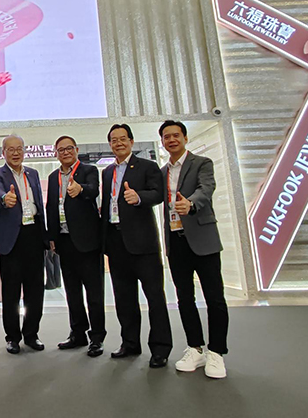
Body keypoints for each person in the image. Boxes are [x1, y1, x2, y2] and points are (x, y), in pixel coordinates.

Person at [159, 120, 229, 379]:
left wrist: (190, 203)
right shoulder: (162, 171)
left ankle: (217, 352)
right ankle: (195, 348)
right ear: (163, 142)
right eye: (166, 137)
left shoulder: (202, 163)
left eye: (176, 135)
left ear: (185, 138)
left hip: (203, 239)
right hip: (176, 240)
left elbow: (206, 189)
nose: (171, 140)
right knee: (184, 298)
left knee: (214, 298)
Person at [101, 124, 172, 368]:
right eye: (114, 140)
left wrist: (139, 197)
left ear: (131, 141)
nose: (118, 143)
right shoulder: (107, 172)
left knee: (155, 297)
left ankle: (160, 348)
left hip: (143, 245)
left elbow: (158, 194)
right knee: (124, 298)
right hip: (116, 243)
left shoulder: (147, 167)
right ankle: (130, 343)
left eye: (123, 139)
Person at [46, 135, 106, 357]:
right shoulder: (53, 177)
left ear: (77, 150)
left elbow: (94, 190)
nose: (65, 152)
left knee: (94, 293)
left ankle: (97, 337)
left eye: (69, 148)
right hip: (64, 242)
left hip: (87, 242)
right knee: (72, 292)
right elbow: (51, 207)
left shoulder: (89, 170)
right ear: (56, 153)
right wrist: (52, 237)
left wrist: (80, 189)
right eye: (61, 150)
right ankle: (77, 333)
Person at [0, 134, 48, 354]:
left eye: (19, 149)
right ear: (3, 152)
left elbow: (38, 204)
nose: (15, 153)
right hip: (11, 239)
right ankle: (12, 337)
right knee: (11, 291)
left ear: (24, 151)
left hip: (33, 235)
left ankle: (31, 334)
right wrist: (5, 198)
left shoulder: (32, 173)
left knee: (35, 290)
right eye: (10, 149)